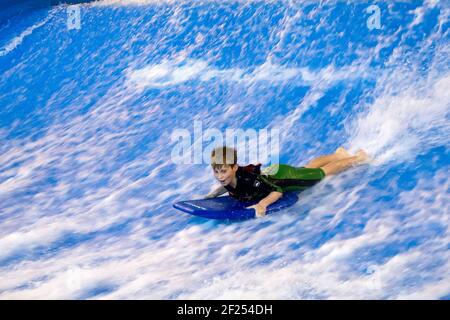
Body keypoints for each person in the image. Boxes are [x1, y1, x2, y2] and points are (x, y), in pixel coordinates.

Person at [206, 146, 369, 217]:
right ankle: (338, 155)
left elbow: (277, 190)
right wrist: (215, 193)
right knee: (306, 169)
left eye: (224, 171)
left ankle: (358, 158)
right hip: (274, 171)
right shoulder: (230, 175)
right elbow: (228, 182)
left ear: (234, 167)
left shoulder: (250, 181)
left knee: (320, 173)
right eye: (217, 171)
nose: (220, 176)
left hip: (284, 177)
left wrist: (262, 204)